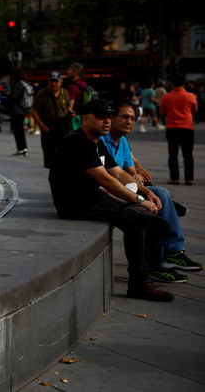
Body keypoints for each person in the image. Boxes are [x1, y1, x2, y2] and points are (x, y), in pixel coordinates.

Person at [49, 99, 174, 302]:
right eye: (101, 117)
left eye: (109, 116)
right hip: (75, 204)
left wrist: (145, 191)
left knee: (136, 214)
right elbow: (105, 179)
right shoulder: (78, 141)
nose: (107, 121)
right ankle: (140, 282)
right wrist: (139, 200)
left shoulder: (97, 142)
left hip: (92, 197)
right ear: (86, 120)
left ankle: (143, 276)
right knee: (135, 218)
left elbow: (117, 172)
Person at [101, 102, 202, 283]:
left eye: (132, 118)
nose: (129, 121)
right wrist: (142, 189)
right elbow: (111, 176)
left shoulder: (122, 141)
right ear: (112, 118)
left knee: (157, 200)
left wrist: (137, 176)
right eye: (124, 116)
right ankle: (171, 253)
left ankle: (164, 254)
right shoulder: (102, 140)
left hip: (125, 187)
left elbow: (130, 170)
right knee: (160, 196)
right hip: (111, 191)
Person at [160, 74, 198, 185]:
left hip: (172, 128)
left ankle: (175, 178)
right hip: (187, 127)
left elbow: (162, 112)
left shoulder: (166, 97)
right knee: (188, 154)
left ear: (172, 83)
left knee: (173, 154)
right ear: (184, 83)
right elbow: (195, 110)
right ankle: (189, 179)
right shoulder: (190, 96)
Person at [31, 71, 71, 168]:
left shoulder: (64, 92)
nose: (53, 84)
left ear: (61, 82)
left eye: (56, 81)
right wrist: (42, 126)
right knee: (50, 158)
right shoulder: (42, 94)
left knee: (64, 156)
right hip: (49, 130)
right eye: (51, 81)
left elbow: (68, 107)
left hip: (63, 129)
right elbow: (34, 111)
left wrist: (70, 114)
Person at [8, 67, 31, 156]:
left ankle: (21, 148)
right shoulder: (24, 83)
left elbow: (14, 97)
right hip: (23, 109)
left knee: (17, 130)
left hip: (16, 110)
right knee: (20, 129)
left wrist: (9, 95)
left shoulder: (17, 84)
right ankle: (23, 148)